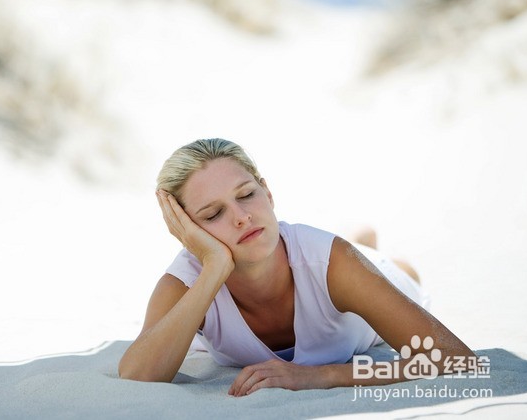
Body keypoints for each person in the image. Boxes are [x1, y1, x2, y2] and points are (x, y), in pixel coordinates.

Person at [118, 138, 476, 395]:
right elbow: (139, 374)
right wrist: (214, 267)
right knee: (350, 243)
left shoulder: (330, 261)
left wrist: (320, 376)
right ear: (187, 231)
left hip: (367, 273)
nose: (242, 217)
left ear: (268, 193)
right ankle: (362, 237)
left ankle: (370, 246)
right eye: (213, 214)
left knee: (400, 269)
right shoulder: (186, 281)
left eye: (246, 195)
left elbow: (455, 360)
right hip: (317, 255)